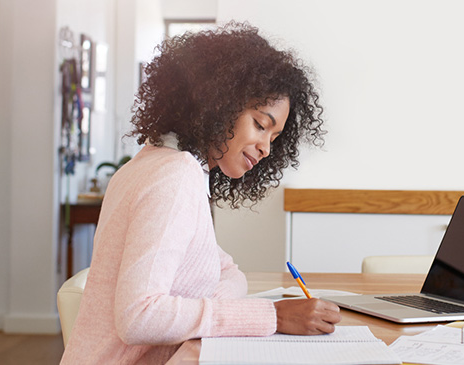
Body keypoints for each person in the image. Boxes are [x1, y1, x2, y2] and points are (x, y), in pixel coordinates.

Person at [59, 22, 335, 364]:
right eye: (261, 125)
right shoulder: (173, 177)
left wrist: (214, 306)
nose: (265, 148)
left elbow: (229, 271)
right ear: (219, 103)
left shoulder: (158, 165)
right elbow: (139, 317)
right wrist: (273, 317)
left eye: (274, 138)